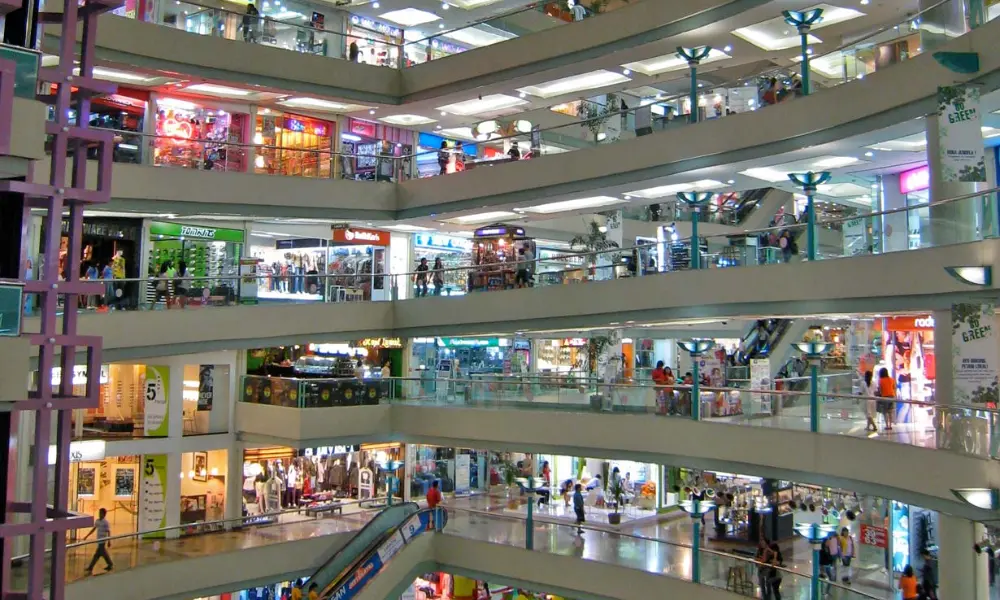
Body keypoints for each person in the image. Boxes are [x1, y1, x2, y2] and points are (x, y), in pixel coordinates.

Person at [82, 507, 113, 574]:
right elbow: (94, 529)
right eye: (99, 513)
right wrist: (87, 536)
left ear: (104, 514)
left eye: (101, 513)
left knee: (97, 554)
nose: (99, 514)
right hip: (99, 540)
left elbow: (108, 531)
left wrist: (109, 541)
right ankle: (110, 564)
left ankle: (90, 567)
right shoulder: (97, 521)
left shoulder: (105, 522)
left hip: (103, 540)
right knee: (102, 554)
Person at [877, 367, 896, 431]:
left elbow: (880, 389)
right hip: (892, 396)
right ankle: (890, 425)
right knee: (890, 412)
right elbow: (894, 388)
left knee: (885, 412)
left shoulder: (880, 380)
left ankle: (887, 425)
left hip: (885, 397)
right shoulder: (891, 379)